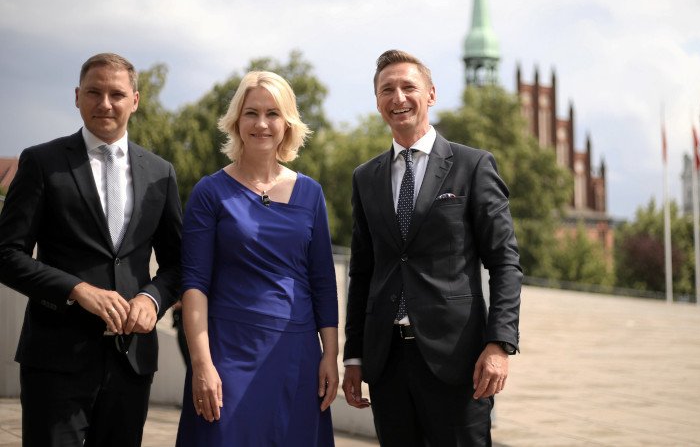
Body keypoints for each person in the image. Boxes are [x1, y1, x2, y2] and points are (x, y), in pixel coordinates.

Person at [0, 53, 183, 446]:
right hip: (55, 360)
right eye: (94, 92)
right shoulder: (42, 162)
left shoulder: (161, 174)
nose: (105, 103)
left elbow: (179, 264)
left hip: (131, 361)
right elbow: (7, 255)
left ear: (135, 100)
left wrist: (152, 300)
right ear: (77, 96)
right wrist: (76, 290)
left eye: (116, 94)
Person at [342, 49, 523, 446]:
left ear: (431, 94)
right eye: (387, 89)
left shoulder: (473, 166)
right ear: (377, 102)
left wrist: (499, 344)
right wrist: (353, 356)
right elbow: (363, 271)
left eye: (409, 87)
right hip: (387, 363)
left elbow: (505, 262)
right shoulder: (366, 177)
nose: (398, 97)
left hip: (458, 361)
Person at [175, 71, 338, 446]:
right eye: (251, 113)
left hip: (296, 354)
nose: (261, 124)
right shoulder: (209, 192)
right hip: (227, 352)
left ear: (288, 124)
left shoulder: (311, 193)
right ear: (236, 121)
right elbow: (194, 285)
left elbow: (323, 282)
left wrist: (330, 355)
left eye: (273, 114)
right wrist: (202, 364)